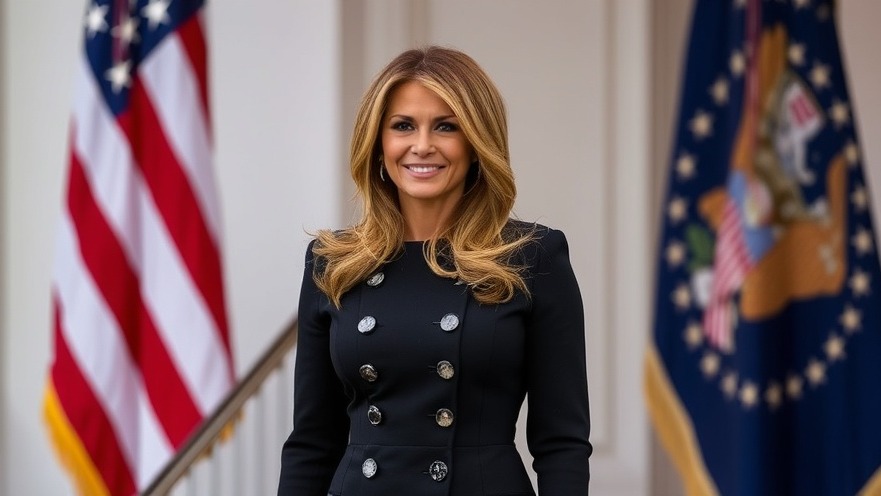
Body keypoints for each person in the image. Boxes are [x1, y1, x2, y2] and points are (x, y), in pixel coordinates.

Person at [278, 46, 591, 496]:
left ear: (477, 142)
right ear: (378, 142)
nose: (421, 145)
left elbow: (561, 443)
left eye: (446, 126)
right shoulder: (333, 261)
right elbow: (312, 442)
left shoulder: (532, 256)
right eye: (403, 126)